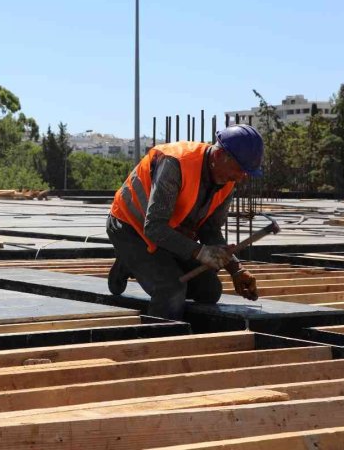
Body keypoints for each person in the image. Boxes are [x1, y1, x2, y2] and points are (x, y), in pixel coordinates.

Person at [106, 124, 263, 319]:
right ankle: (159, 341)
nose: (241, 177)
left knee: (210, 290)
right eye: (240, 169)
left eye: (246, 172)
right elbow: (154, 227)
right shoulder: (176, 163)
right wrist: (199, 251)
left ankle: (137, 263)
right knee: (171, 289)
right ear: (220, 155)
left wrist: (236, 270)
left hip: (168, 233)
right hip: (129, 227)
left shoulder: (227, 181)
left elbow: (210, 230)